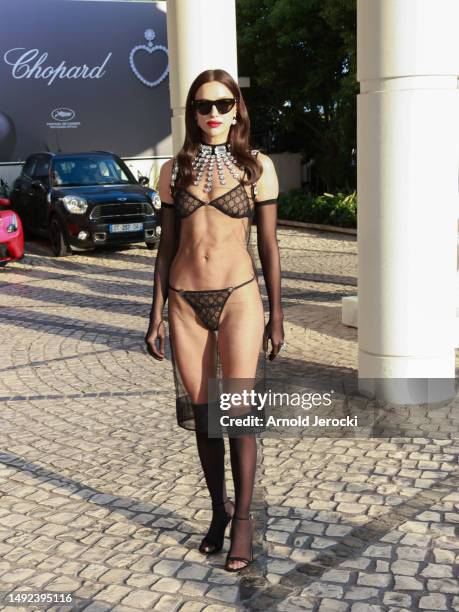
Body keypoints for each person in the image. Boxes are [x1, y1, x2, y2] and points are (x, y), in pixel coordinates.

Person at [145, 68, 284, 572]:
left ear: (237, 109)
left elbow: (268, 245)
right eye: (204, 106)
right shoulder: (172, 171)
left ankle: (244, 521)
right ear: (193, 112)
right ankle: (218, 514)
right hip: (184, 301)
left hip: (239, 298)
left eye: (224, 105)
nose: (213, 115)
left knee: (238, 411)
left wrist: (278, 315)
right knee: (207, 417)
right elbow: (166, 248)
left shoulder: (257, 168)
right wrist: (155, 312)